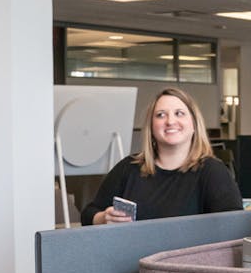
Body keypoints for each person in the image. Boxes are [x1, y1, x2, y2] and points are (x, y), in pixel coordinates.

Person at [81, 87, 241, 225]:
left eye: (179, 113)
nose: (170, 121)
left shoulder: (212, 172)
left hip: (183, 261)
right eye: (161, 115)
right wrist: (103, 218)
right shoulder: (129, 168)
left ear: (194, 124)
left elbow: (233, 228)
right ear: (151, 127)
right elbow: (88, 214)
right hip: (129, 259)